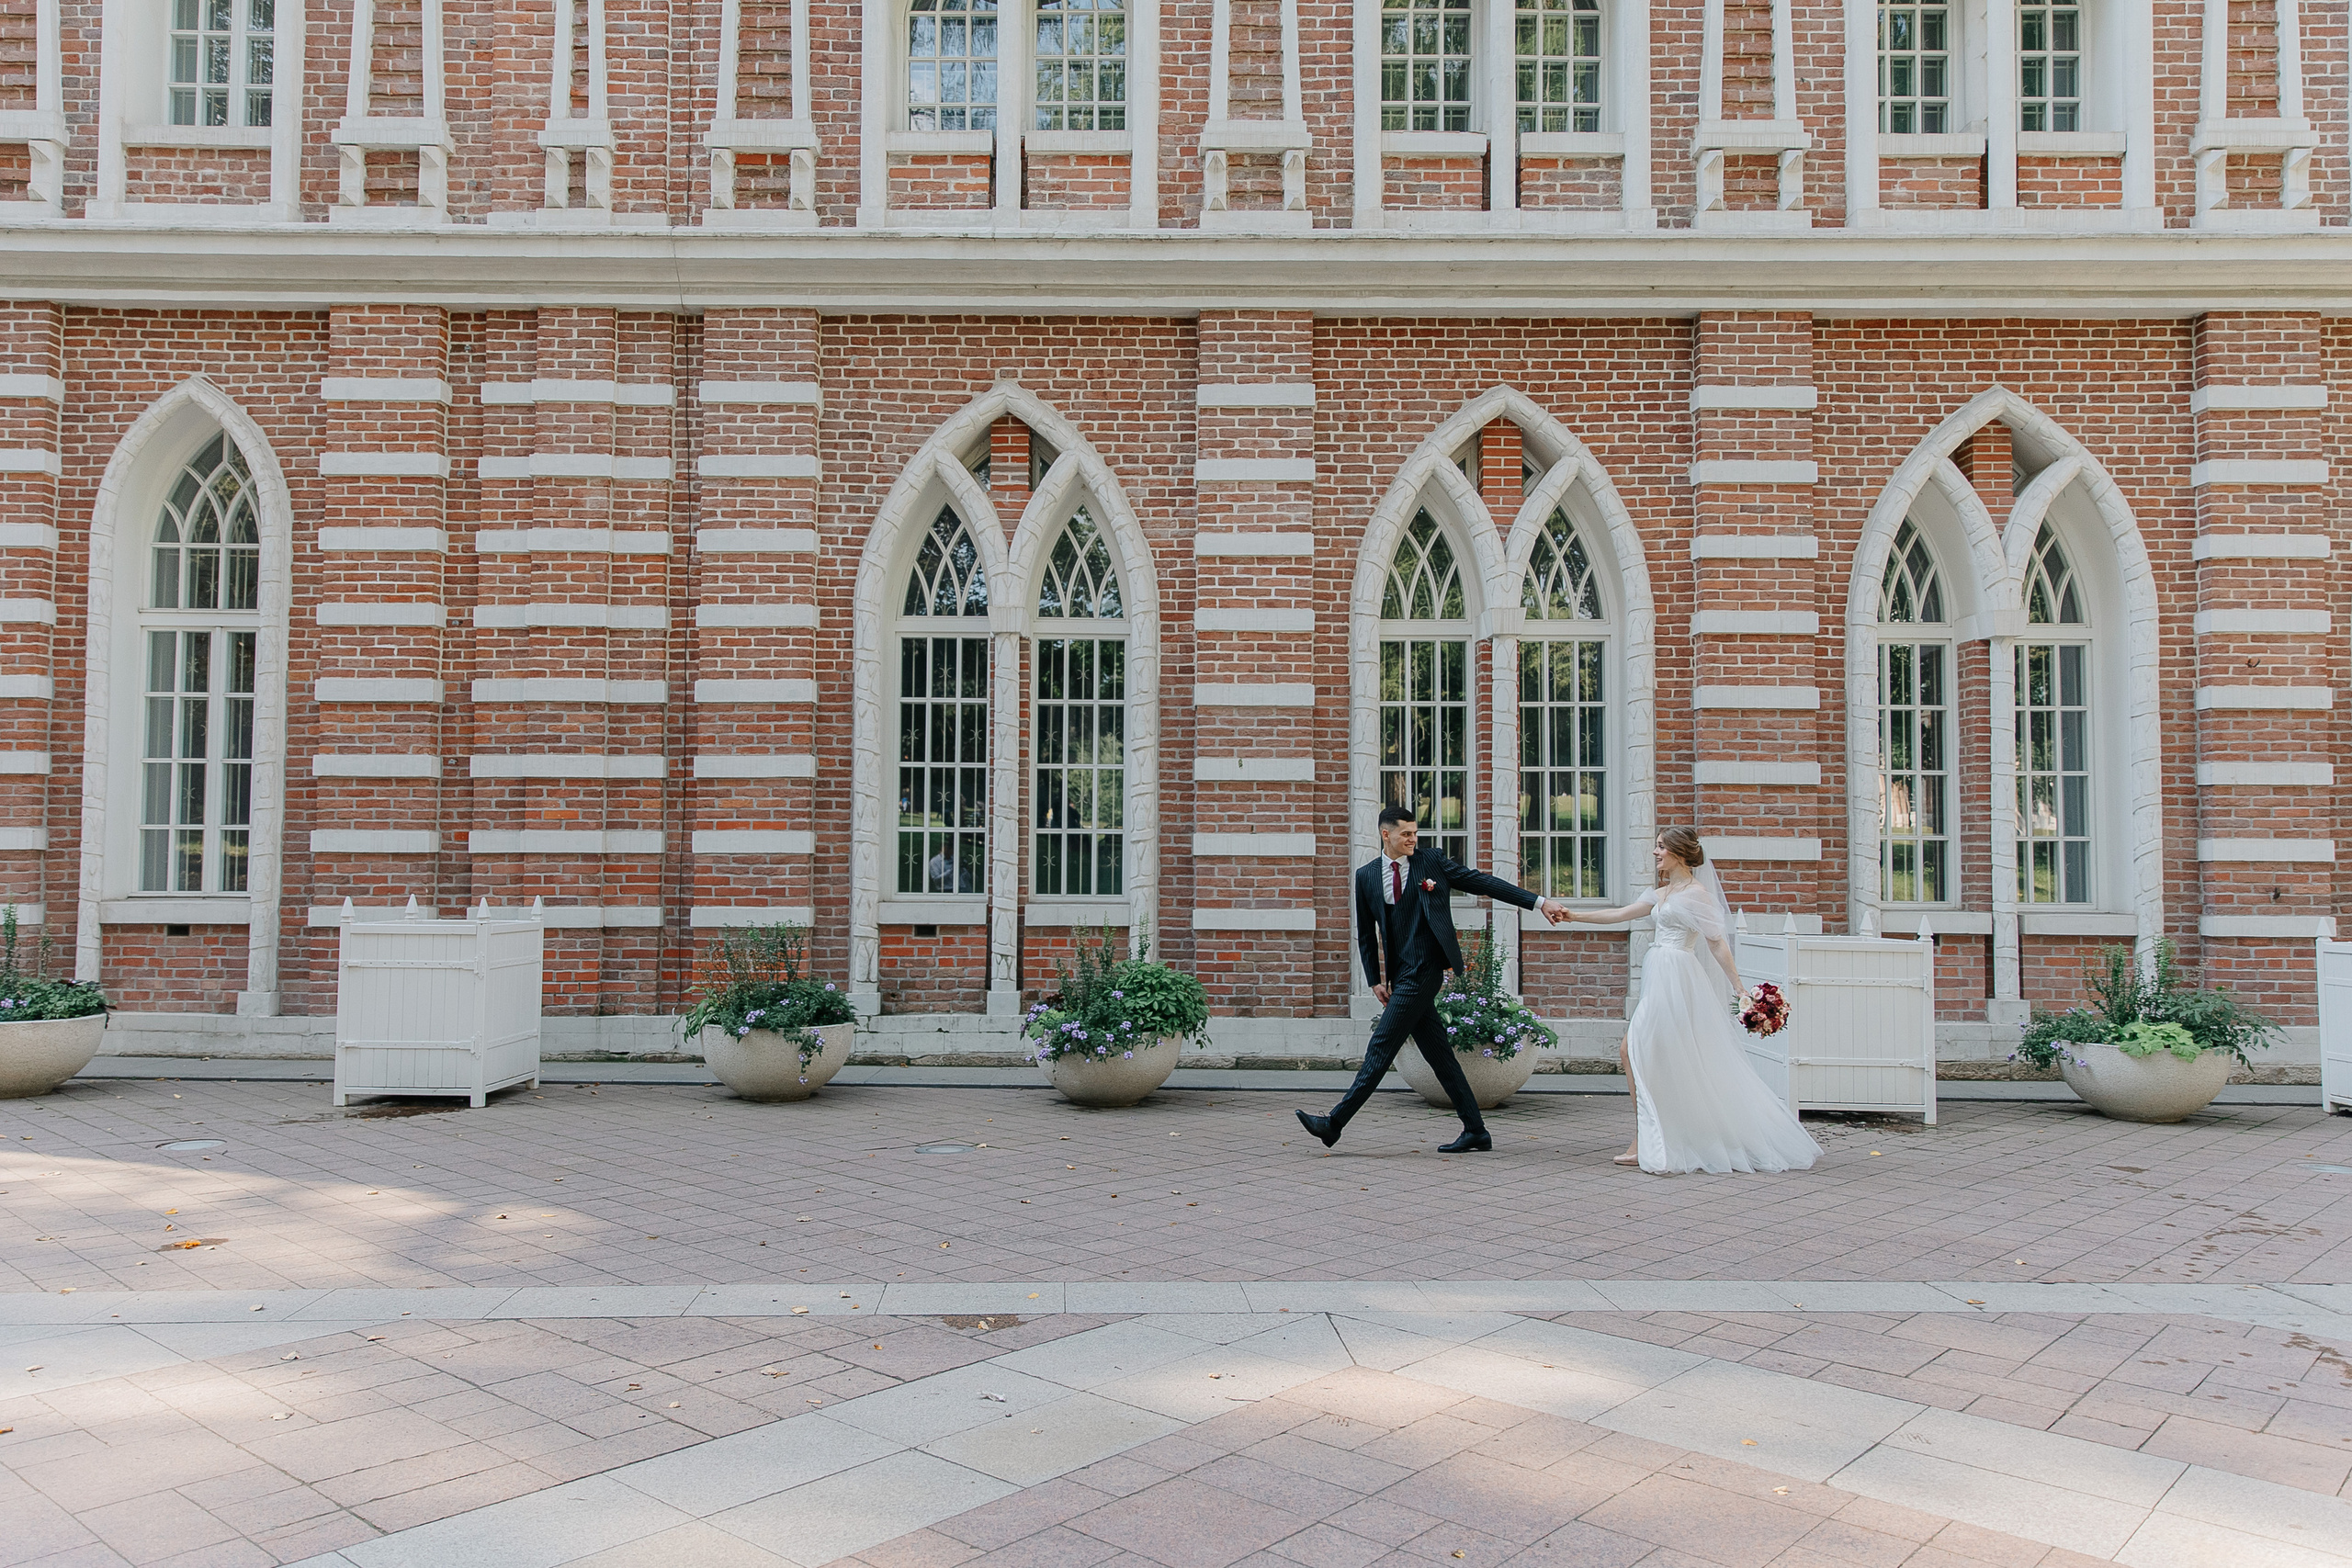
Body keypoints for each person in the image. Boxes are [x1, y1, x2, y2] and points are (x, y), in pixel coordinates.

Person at [1295, 805, 1572, 1154]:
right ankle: (1475, 1130)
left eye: (1415, 833)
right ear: (1386, 835)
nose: (1413, 839)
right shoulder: (1366, 876)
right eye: (1405, 834)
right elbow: (1366, 934)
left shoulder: (1431, 862)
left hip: (1425, 969)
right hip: (1400, 973)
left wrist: (1539, 902)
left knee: (1381, 1045)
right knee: (1440, 1055)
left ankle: (1333, 1124)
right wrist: (1374, 979)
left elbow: (1483, 882)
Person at [1557, 827, 1819, 1175]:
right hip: (1659, 972)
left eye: (1661, 847)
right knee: (1649, 1054)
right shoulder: (1662, 892)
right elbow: (1621, 914)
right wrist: (1574, 916)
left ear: (1679, 854)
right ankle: (1653, 1136)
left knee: (1631, 1050)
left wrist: (1740, 989)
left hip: (1678, 976)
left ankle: (1647, 1141)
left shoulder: (1698, 895)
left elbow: (1716, 943)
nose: (1655, 853)